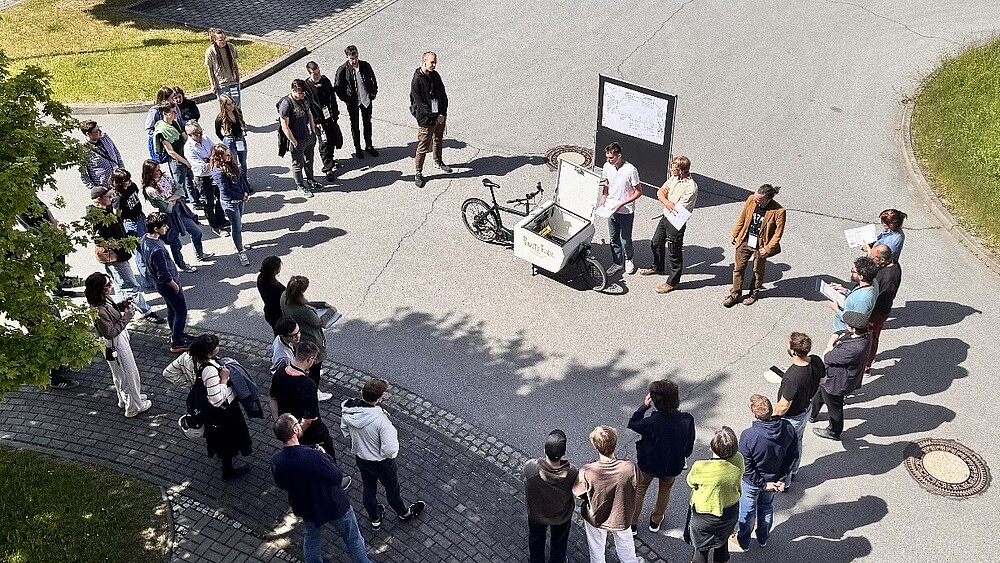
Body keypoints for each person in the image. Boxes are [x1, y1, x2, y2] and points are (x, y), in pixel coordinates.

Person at [271, 414, 372, 563]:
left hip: (306, 507)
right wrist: (325, 456)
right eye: (297, 423)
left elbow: (281, 483)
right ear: (294, 429)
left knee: (311, 539)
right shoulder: (314, 457)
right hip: (333, 504)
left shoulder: (277, 461)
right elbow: (336, 477)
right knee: (353, 539)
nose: (299, 424)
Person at [341, 378, 426, 529]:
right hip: (381, 463)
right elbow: (390, 450)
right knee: (392, 490)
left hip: (361, 458)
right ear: (380, 398)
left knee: (368, 488)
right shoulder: (381, 421)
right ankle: (404, 513)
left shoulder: (350, 411)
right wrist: (383, 456)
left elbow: (345, 431)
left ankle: (375, 518)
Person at [628, 379, 695, 535]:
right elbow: (689, 442)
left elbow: (633, 423)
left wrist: (644, 406)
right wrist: (684, 456)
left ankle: (632, 524)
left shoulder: (651, 422)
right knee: (664, 491)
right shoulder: (687, 419)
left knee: (639, 490)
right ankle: (655, 521)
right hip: (672, 465)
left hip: (648, 464)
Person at [731, 395, 797, 552]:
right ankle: (762, 538)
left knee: (747, 510)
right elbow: (793, 455)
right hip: (774, 479)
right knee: (766, 506)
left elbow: (745, 465)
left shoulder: (749, 435)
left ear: (754, 413)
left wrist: (761, 483)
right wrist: (782, 478)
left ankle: (743, 541)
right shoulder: (787, 427)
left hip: (752, 482)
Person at [89, 186, 163, 324]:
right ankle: (146, 311)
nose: (111, 199)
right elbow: (98, 240)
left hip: (117, 255)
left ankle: (119, 308)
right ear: (99, 200)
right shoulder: (98, 216)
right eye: (108, 197)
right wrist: (120, 245)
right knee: (130, 285)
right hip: (114, 256)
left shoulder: (105, 209)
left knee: (119, 284)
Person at [85, 272, 152, 418]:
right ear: (99, 289)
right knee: (129, 373)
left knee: (120, 374)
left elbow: (112, 310)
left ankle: (126, 399)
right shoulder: (98, 309)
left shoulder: (102, 299)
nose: (110, 287)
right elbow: (110, 332)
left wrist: (122, 305)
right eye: (107, 286)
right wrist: (126, 317)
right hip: (115, 343)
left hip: (115, 341)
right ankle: (134, 406)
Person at [188, 334, 253, 479]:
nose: (219, 347)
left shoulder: (202, 363)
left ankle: (226, 461)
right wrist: (224, 380)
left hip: (222, 413)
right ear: (209, 352)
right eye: (216, 346)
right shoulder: (210, 371)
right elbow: (216, 400)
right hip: (223, 413)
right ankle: (227, 470)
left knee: (224, 441)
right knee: (227, 441)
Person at [572, 425, 639, 563]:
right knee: (626, 547)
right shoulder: (630, 467)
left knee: (596, 548)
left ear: (596, 447)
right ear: (615, 443)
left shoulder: (587, 471)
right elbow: (636, 484)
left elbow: (578, 493)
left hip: (597, 517)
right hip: (622, 515)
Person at [269, 341, 338, 459]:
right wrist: (298, 433)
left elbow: (272, 398)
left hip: (288, 426)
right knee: (327, 457)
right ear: (310, 359)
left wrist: (278, 422)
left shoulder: (280, 373)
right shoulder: (308, 384)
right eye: (314, 359)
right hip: (310, 433)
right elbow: (309, 418)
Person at [640, 155, 698, 293]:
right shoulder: (674, 178)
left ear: (682, 170)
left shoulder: (691, 187)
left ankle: (673, 282)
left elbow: (676, 208)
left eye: (674, 168)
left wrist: (664, 200)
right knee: (655, 243)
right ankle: (657, 267)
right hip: (666, 216)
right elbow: (660, 191)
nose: (672, 170)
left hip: (676, 221)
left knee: (674, 252)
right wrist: (666, 201)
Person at [810, 311, 871, 441]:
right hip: (829, 378)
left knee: (835, 408)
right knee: (819, 393)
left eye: (848, 324)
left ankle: (833, 432)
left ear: (853, 328)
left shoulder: (853, 348)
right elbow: (838, 333)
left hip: (837, 382)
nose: (846, 326)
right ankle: (812, 413)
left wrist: (829, 346)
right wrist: (832, 343)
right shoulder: (862, 335)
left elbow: (827, 357)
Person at [772, 332, 824, 484]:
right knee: (797, 441)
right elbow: (823, 380)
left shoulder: (792, 378)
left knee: (787, 449)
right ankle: (794, 470)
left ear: (793, 351)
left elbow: (783, 406)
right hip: (806, 408)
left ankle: (784, 481)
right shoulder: (816, 360)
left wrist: (773, 418)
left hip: (792, 417)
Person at [685, 427, 743, 563]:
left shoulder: (701, 466)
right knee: (722, 543)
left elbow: (691, 482)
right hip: (729, 511)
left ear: (712, 446)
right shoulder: (738, 459)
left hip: (704, 516)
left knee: (701, 549)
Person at [724, 184, 786, 307]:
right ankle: (735, 293)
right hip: (745, 240)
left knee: (758, 270)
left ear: (768, 199)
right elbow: (742, 218)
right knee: (738, 268)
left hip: (761, 245)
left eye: (758, 200)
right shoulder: (751, 199)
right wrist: (734, 233)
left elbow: (778, 235)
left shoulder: (779, 211)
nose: (755, 200)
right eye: (755, 197)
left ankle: (753, 293)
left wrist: (768, 248)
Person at [141, 159, 210, 269]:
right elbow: (165, 207)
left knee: (196, 231)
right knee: (175, 243)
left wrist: (171, 198)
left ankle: (199, 254)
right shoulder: (150, 189)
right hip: (169, 217)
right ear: (150, 172)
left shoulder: (165, 177)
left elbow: (180, 190)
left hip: (180, 209)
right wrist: (174, 198)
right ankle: (182, 265)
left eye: (159, 169)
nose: (160, 172)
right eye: (156, 170)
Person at [523, 429, 578, 563]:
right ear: (563, 453)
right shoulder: (572, 472)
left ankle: (536, 560)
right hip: (561, 516)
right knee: (559, 541)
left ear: (544, 450)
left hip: (537, 514)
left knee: (536, 538)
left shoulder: (530, 467)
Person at [140, 212, 191, 353]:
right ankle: (177, 342)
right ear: (156, 228)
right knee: (181, 312)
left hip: (160, 285)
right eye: (164, 226)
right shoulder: (157, 249)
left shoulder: (145, 239)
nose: (167, 227)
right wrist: (174, 285)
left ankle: (176, 333)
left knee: (172, 309)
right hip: (168, 285)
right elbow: (163, 273)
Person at [280, 275, 336, 401]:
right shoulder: (302, 310)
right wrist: (331, 311)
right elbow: (318, 322)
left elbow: (304, 303)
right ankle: (314, 391)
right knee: (315, 367)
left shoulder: (285, 296)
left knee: (308, 364)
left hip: (300, 340)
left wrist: (321, 304)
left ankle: (309, 375)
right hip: (311, 340)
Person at [409, 51, 451, 188]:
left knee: (438, 139)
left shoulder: (435, 75)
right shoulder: (417, 80)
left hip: (439, 116)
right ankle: (418, 172)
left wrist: (443, 113)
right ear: (424, 61)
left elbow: (443, 95)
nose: (434, 65)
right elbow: (421, 105)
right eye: (432, 62)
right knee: (423, 145)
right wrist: (435, 116)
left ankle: (438, 160)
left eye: (435, 62)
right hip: (426, 119)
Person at [600, 143, 642, 276]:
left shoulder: (631, 170)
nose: (608, 160)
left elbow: (639, 192)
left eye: (611, 158)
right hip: (611, 208)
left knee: (625, 239)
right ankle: (617, 262)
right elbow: (606, 182)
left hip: (625, 211)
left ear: (619, 156)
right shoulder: (607, 166)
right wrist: (604, 195)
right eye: (607, 157)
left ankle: (629, 259)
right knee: (613, 238)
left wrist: (622, 203)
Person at [109, 169, 153, 289]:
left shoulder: (132, 186)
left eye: (129, 179)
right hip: (130, 223)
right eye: (126, 181)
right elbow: (117, 216)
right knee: (140, 251)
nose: (129, 182)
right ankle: (147, 281)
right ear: (119, 182)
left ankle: (151, 274)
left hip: (140, 217)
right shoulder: (118, 197)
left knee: (146, 246)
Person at [209, 144, 251, 267]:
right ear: (219, 157)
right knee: (236, 227)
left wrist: (246, 191)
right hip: (230, 203)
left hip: (239, 200)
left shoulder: (231, 163)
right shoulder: (218, 171)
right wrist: (241, 196)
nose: (229, 156)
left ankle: (238, 244)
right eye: (226, 155)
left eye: (229, 154)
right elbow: (225, 190)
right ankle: (240, 251)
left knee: (238, 224)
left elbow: (241, 179)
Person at [280, 79, 323, 197]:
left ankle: (311, 180)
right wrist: (293, 141)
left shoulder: (305, 98)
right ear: (293, 90)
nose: (302, 96)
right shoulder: (286, 104)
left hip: (308, 136)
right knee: (298, 164)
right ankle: (300, 185)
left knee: (309, 160)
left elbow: (309, 113)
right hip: (297, 139)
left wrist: (313, 131)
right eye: (299, 93)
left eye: (303, 93)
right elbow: (285, 126)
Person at [184, 121, 228, 234]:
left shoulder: (205, 138)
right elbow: (202, 167)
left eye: (200, 132)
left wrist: (210, 160)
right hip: (203, 178)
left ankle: (222, 220)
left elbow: (215, 151)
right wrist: (210, 160)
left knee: (220, 198)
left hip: (214, 173)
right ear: (189, 135)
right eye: (196, 134)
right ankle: (215, 226)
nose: (199, 135)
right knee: (208, 203)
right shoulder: (189, 148)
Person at [335, 45, 379, 160]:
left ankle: (369, 145)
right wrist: (346, 99)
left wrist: (373, 92)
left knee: (367, 123)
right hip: (353, 102)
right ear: (347, 57)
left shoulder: (365, 65)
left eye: (355, 57)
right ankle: (358, 147)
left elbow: (373, 79)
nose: (354, 61)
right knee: (355, 125)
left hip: (366, 99)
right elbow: (338, 87)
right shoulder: (343, 69)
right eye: (351, 58)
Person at [866, 244, 902, 374]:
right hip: (875, 310)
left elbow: (882, 302)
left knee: (870, 338)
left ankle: (866, 365)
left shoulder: (889, 279)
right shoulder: (889, 262)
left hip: (877, 313)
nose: (870, 259)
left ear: (882, 260)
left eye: (873, 257)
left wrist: (867, 314)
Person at [304, 61, 342, 178]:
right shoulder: (307, 87)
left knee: (332, 139)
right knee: (324, 143)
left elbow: (332, 98)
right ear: (310, 74)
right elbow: (308, 107)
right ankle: (328, 168)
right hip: (318, 121)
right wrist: (314, 122)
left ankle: (331, 159)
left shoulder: (325, 81)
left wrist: (334, 114)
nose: (318, 75)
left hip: (329, 117)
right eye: (315, 74)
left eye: (319, 72)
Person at [153, 104, 195, 205]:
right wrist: (185, 162)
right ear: (165, 113)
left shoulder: (175, 123)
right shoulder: (162, 130)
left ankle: (195, 202)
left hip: (186, 156)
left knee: (190, 181)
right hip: (177, 162)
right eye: (172, 112)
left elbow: (185, 137)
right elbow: (170, 152)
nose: (176, 114)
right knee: (180, 188)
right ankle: (182, 208)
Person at [827, 255, 879, 331]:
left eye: (853, 271)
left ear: (861, 276)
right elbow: (856, 298)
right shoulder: (872, 282)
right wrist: (845, 291)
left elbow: (855, 321)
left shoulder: (863, 300)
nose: (851, 273)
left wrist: (836, 309)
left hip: (844, 331)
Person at [215, 94, 249, 188]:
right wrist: (225, 140)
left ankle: (245, 180)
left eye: (232, 103)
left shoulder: (237, 111)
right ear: (224, 106)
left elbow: (240, 123)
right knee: (233, 162)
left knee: (243, 161)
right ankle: (237, 182)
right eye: (229, 104)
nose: (232, 106)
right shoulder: (220, 118)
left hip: (239, 138)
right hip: (229, 139)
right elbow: (217, 132)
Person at [80, 120, 124, 191]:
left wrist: (123, 172)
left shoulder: (105, 137)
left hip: (119, 181)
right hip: (104, 188)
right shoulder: (83, 149)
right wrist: (96, 190)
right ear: (88, 134)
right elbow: (83, 174)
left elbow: (117, 154)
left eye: (99, 128)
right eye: (96, 131)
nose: (100, 131)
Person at [205, 28, 241, 107]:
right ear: (215, 40)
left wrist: (238, 78)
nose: (224, 41)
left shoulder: (231, 47)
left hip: (233, 82)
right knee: (226, 108)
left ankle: (239, 119)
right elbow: (210, 69)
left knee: (236, 106)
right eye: (221, 40)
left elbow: (235, 64)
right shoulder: (210, 51)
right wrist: (212, 84)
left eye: (224, 39)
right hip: (221, 85)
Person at [257, 256, 286, 330]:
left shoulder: (261, 278)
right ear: (274, 271)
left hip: (269, 312)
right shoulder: (276, 288)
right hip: (279, 316)